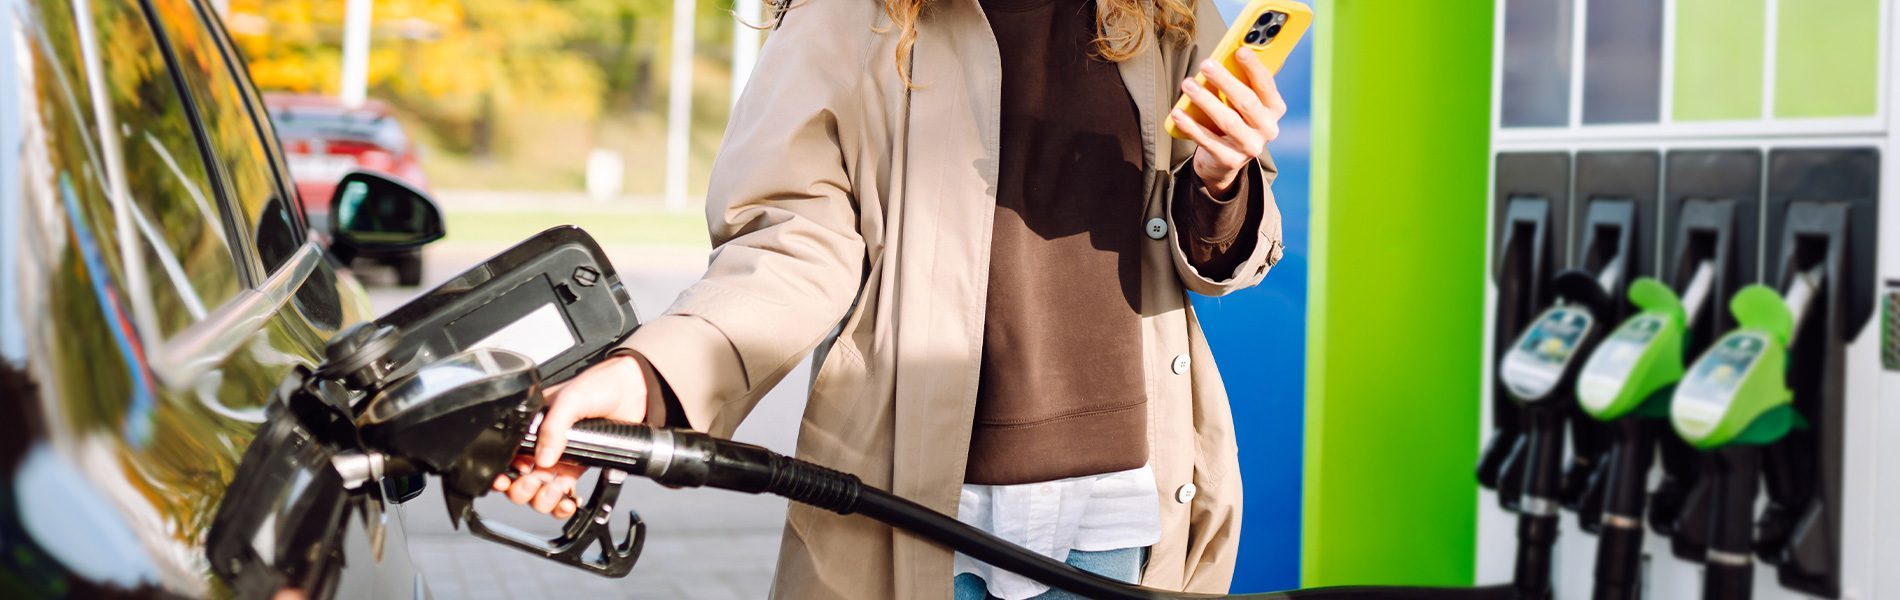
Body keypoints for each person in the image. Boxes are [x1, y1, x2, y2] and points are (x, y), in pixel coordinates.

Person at [495, 0, 1285, 595]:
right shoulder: (843, 16)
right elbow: (790, 249)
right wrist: (652, 377)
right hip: (914, 515)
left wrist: (1222, 177)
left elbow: (1207, 254)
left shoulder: (1161, 13)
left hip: (1119, 511)